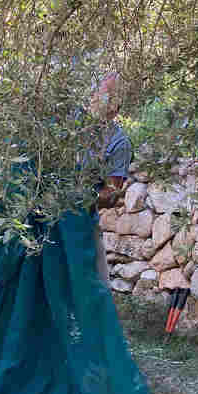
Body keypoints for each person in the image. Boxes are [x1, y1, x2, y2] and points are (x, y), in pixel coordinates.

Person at [87, 73, 132, 282]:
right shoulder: (69, 126)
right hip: (44, 220)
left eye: (115, 98)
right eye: (106, 94)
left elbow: (110, 194)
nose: (110, 103)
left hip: (82, 223)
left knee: (94, 285)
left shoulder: (119, 143)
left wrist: (77, 197)